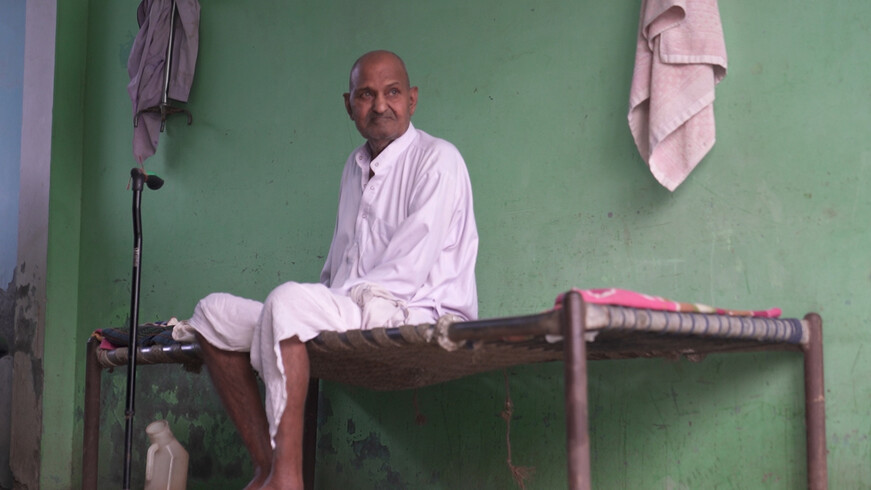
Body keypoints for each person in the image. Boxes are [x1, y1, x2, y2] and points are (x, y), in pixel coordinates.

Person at [173, 50, 478, 490]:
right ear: (348, 105)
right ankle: (267, 468)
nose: (380, 106)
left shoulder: (438, 160)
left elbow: (405, 275)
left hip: (411, 309)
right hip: (352, 305)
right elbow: (337, 269)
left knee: (287, 303)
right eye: (366, 95)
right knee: (212, 314)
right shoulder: (354, 169)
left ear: (412, 99)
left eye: (392, 93)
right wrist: (315, 306)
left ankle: (289, 481)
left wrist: (310, 307)